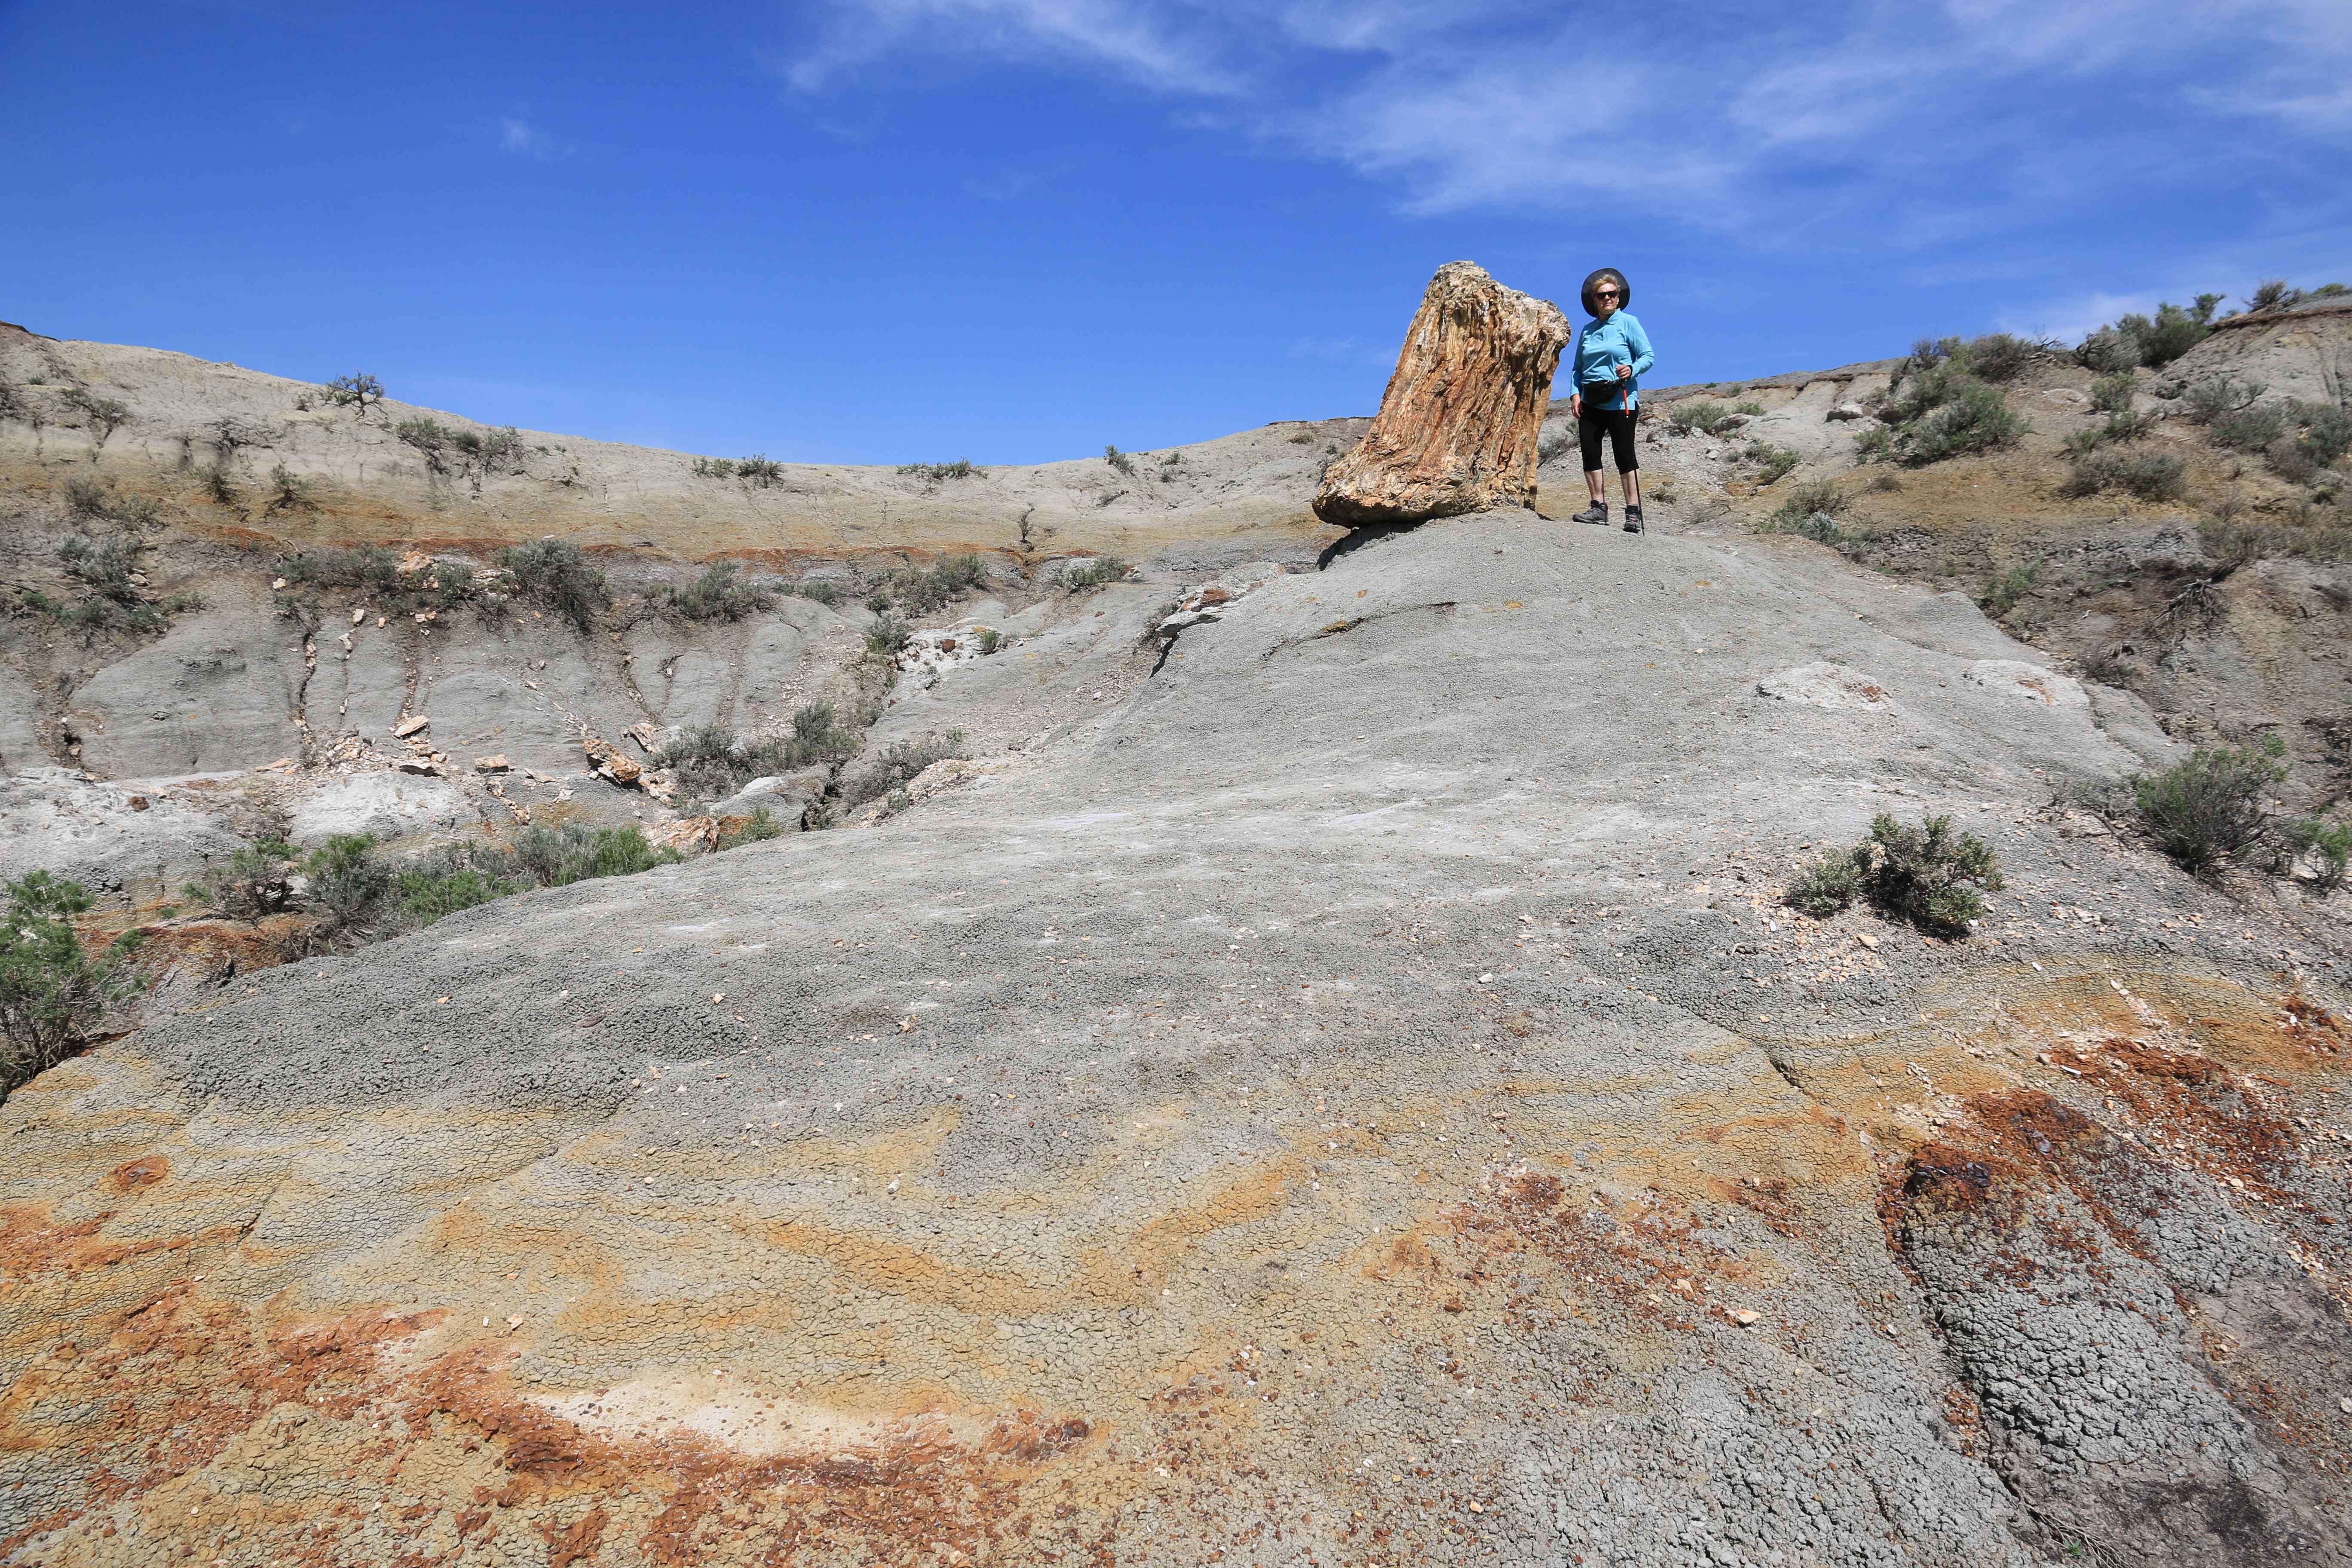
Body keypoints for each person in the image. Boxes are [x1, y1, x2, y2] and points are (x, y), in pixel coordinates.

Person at [1566, 268, 1653, 533]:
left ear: (1618, 297)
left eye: (1612, 294)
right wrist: (1575, 393)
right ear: (1594, 301)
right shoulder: (1588, 331)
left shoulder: (1629, 323)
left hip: (1621, 399)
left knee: (1624, 455)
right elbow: (1578, 368)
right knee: (1590, 453)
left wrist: (1632, 369)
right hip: (1590, 400)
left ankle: (1633, 512)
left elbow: (1648, 356)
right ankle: (1598, 507)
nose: (1607, 299)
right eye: (1601, 295)